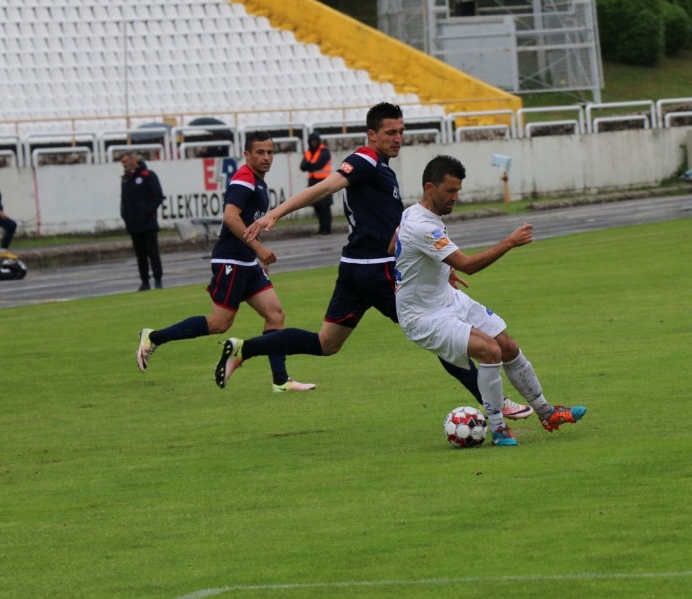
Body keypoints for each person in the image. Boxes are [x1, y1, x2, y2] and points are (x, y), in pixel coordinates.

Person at [213, 103, 531, 420]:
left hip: (355, 268)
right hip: (378, 270)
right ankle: (497, 402)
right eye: (390, 132)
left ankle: (244, 349)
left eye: (401, 131)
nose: (398, 138)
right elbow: (325, 186)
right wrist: (274, 214)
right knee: (440, 331)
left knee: (326, 343)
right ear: (371, 135)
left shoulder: (382, 168)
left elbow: (397, 228)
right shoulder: (365, 159)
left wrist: (441, 267)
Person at [392, 155, 585, 446]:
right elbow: (468, 264)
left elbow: (395, 245)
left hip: (447, 298)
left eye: (458, 191)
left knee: (508, 346)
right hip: (423, 316)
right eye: (450, 191)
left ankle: (547, 413)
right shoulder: (423, 226)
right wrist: (509, 243)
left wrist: (438, 269)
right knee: (489, 351)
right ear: (429, 187)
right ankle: (498, 428)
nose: (455, 197)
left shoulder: (413, 215)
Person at [134, 131, 315, 393]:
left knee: (275, 314)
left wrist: (255, 255)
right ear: (247, 154)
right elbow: (230, 217)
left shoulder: (258, 182)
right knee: (220, 324)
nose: (266, 157)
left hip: (246, 261)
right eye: (260, 152)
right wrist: (259, 248)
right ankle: (153, 337)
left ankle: (280, 380)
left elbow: (245, 220)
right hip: (230, 260)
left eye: (270, 152)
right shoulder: (244, 178)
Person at [119, 152, 165, 291]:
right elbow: (124, 200)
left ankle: (158, 280)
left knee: (153, 252)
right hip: (133, 223)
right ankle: (144, 281)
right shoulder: (125, 179)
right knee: (140, 255)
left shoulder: (147, 175)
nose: (124, 164)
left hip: (148, 222)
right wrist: (125, 215)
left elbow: (158, 196)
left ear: (134, 161)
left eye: (126, 161)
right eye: (122, 161)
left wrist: (148, 211)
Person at [300, 131, 333, 235]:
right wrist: (311, 164)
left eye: (315, 141)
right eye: (312, 141)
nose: (313, 143)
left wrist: (309, 164)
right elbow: (302, 167)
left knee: (325, 206)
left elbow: (318, 164)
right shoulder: (308, 152)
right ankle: (321, 228)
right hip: (313, 182)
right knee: (317, 207)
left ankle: (326, 229)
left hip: (324, 181)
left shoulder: (324, 151)